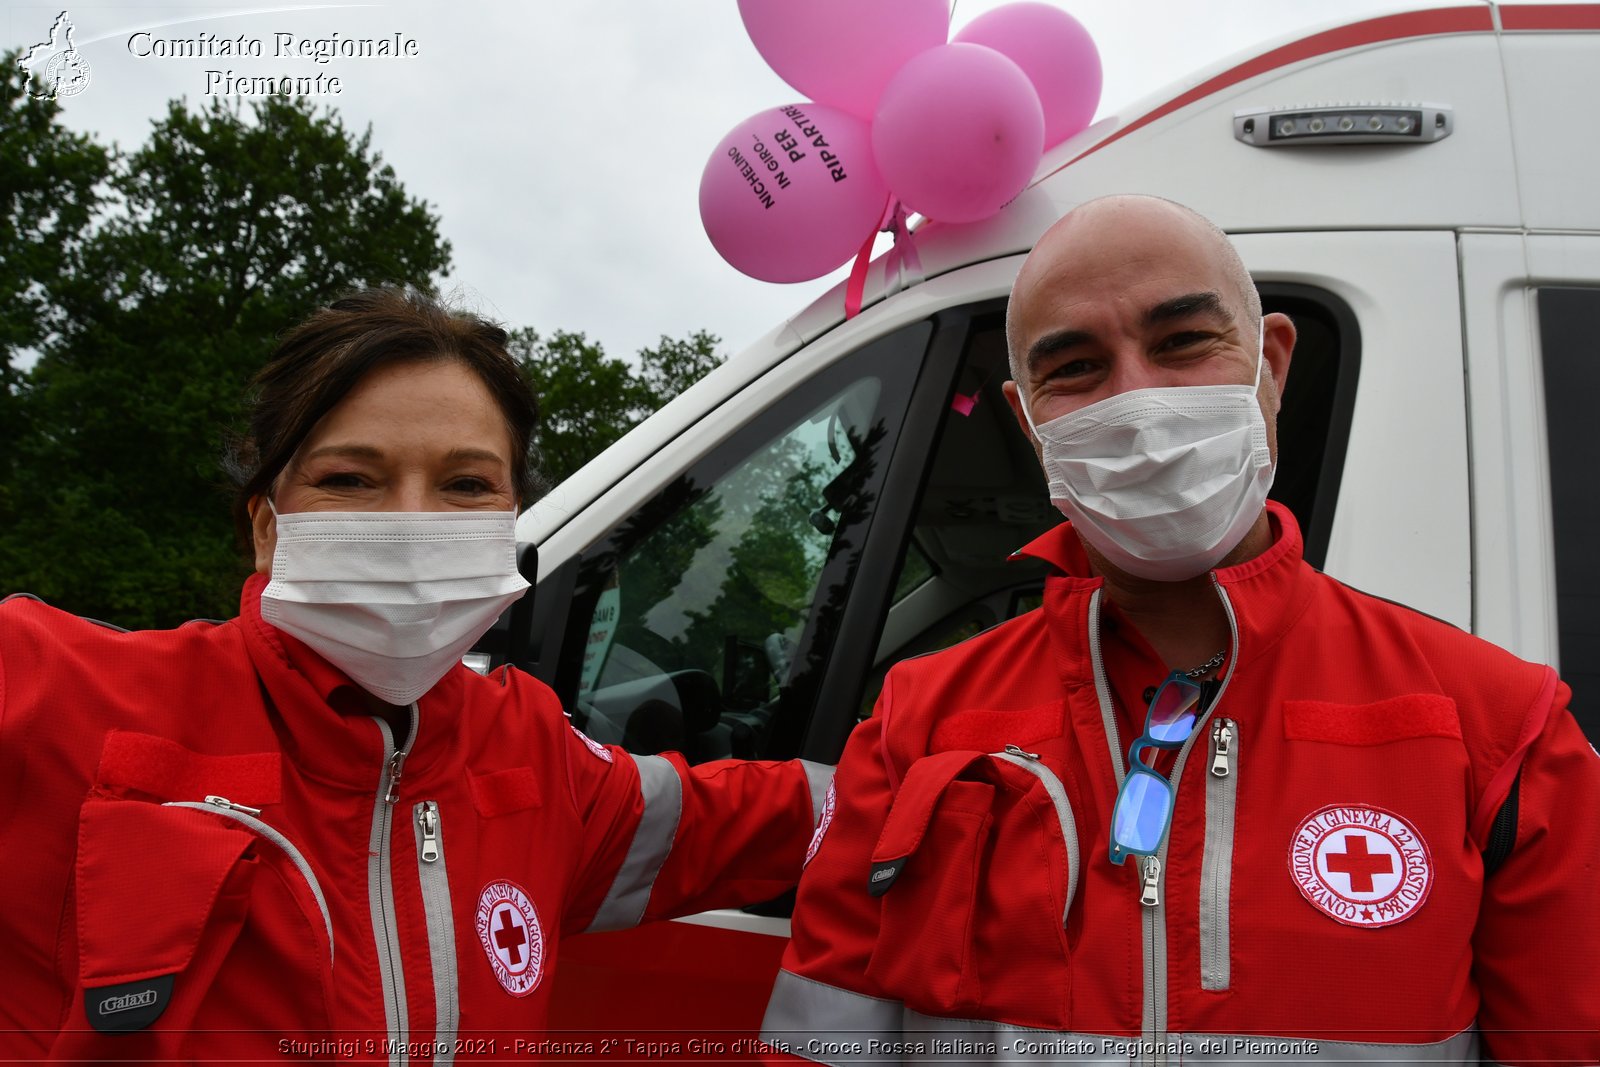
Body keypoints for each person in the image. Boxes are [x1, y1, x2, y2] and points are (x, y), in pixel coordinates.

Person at [760, 195, 1600, 1064]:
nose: (1138, 402)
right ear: (1029, 421)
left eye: (1183, 342)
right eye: (1077, 367)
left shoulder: (1501, 727)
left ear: (1270, 364)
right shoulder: (914, 719)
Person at [0, 287, 832, 1061]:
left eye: (465, 484)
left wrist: (936, 744)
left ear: (508, 522)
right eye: (349, 479)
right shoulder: (57, 688)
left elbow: (751, 815)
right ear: (266, 527)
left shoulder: (537, 752)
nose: (408, 521)